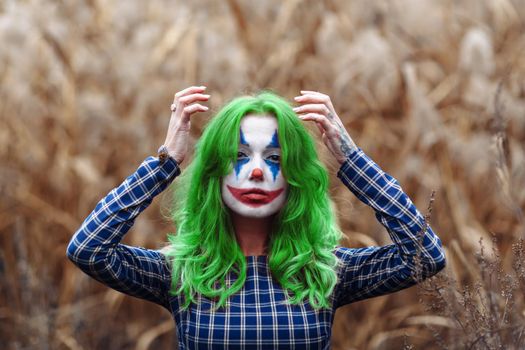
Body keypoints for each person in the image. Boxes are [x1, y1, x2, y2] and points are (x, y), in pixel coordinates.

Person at [66, 86, 446, 349]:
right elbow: (88, 249)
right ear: (214, 172)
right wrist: (166, 161)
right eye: (240, 156)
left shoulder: (323, 272)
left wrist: (349, 159)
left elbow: (425, 256)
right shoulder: (182, 273)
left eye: (276, 159)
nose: (258, 172)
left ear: (295, 178)